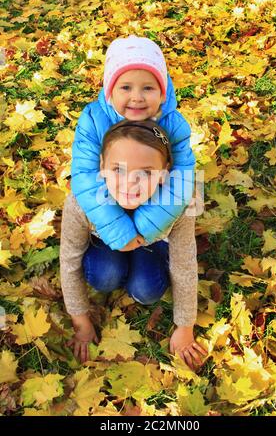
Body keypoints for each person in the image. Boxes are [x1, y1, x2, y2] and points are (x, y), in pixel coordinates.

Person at [60, 119, 206, 369]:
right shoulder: (80, 203)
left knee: (146, 290)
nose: (129, 183)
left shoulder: (179, 204)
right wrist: (81, 322)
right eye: (118, 169)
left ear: (164, 173)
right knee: (105, 276)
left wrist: (185, 326)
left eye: (146, 172)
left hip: (152, 245)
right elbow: (69, 260)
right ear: (102, 167)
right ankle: (115, 271)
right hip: (104, 247)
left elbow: (185, 265)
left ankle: (140, 270)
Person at [71, 35, 195, 252]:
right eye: (126, 88)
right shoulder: (93, 119)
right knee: (105, 275)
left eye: (148, 88)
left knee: (145, 285)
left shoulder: (173, 126)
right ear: (111, 92)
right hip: (107, 219)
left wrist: (145, 228)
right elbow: (86, 177)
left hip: (153, 217)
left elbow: (181, 180)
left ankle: (147, 256)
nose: (137, 97)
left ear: (162, 93)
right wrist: (119, 230)